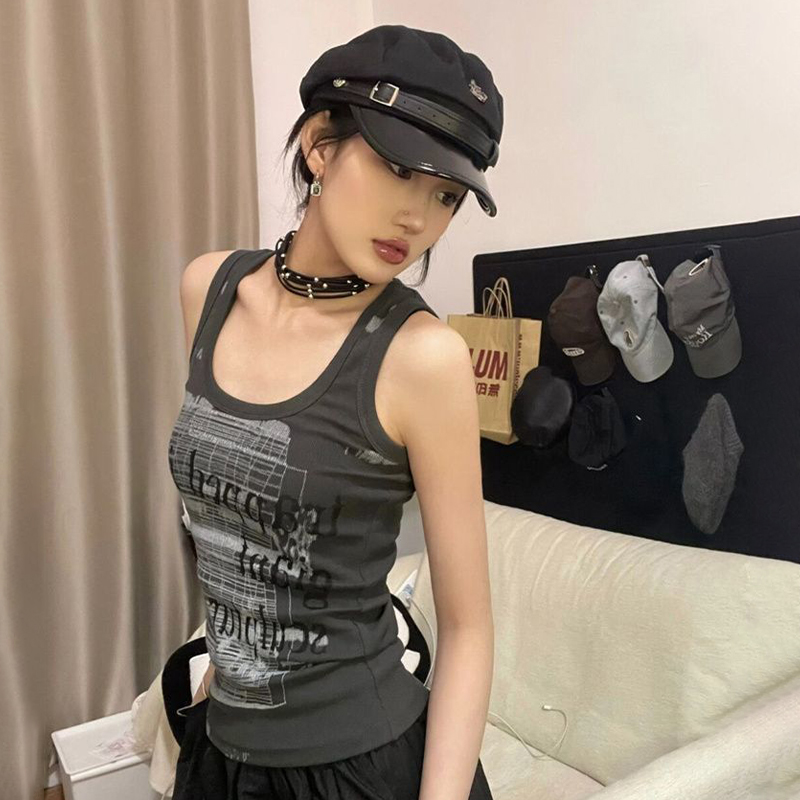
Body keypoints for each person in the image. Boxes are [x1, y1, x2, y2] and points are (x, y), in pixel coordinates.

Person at [167, 23, 503, 800]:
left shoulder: (423, 358)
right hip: (221, 748)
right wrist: (227, 675)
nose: (418, 219)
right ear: (320, 144)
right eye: (399, 169)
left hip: (361, 767)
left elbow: (469, 629)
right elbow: (229, 518)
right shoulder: (208, 290)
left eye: (446, 195)